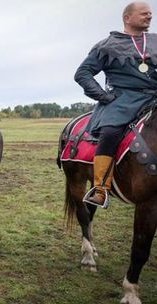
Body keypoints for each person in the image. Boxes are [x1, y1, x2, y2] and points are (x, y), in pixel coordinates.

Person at [74, 1, 157, 207]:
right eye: (144, 13)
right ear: (127, 18)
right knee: (110, 133)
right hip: (122, 101)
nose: (149, 16)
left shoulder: (155, 41)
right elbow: (82, 73)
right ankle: (101, 188)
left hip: (154, 95)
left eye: (150, 13)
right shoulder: (107, 45)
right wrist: (104, 97)